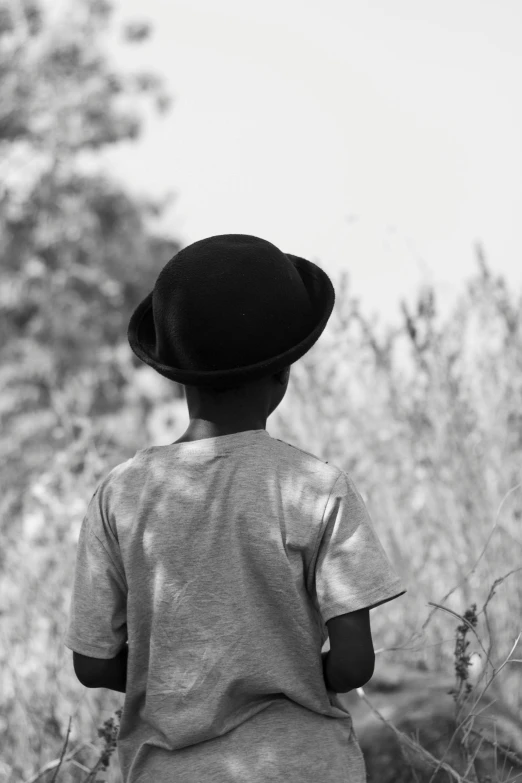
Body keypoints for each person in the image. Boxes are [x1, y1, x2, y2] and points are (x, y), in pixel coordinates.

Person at [64, 234, 407, 782]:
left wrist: (184, 674)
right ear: (283, 373)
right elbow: (353, 663)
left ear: (175, 373)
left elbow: (93, 663)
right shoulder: (318, 488)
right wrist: (283, 670)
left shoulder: (120, 495)